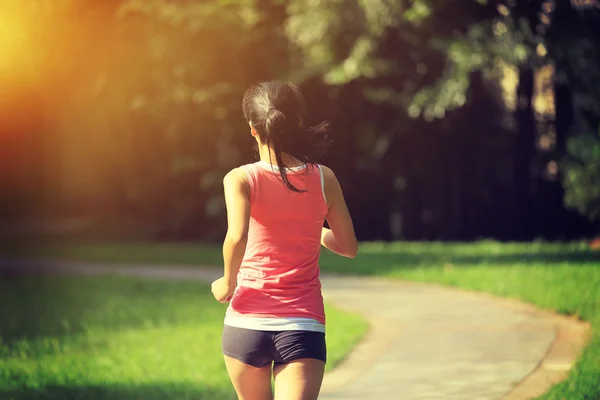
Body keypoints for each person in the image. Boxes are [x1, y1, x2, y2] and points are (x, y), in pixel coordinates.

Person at [211, 81, 358, 400]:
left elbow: (237, 236)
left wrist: (227, 281)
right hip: (302, 326)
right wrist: (317, 232)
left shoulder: (240, 178)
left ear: (252, 129)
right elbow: (348, 247)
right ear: (298, 123)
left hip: (246, 323)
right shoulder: (324, 178)